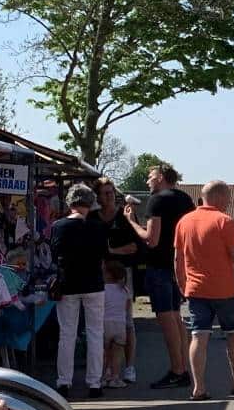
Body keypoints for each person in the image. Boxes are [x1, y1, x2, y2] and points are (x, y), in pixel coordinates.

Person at [174, 180, 234, 401]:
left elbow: (178, 259)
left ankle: (199, 388)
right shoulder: (224, 221)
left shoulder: (184, 221)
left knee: (198, 336)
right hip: (224, 290)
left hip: (195, 290)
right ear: (219, 196)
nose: (229, 202)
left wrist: (183, 284)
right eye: (228, 197)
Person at [125, 165, 194, 390]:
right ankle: (184, 367)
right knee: (176, 317)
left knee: (167, 319)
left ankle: (177, 370)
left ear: (161, 178)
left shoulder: (157, 200)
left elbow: (151, 239)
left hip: (159, 266)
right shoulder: (185, 199)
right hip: (178, 265)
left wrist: (131, 221)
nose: (148, 181)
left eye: (151, 177)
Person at [49, 183, 109, 397]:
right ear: (90, 203)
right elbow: (104, 255)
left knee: (67, 334)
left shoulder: (59, 226)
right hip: (94, 284)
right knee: (95, 333)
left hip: (68, 285)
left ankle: (64, 381)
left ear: (70, 202)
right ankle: (94, 383)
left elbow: (54, 254)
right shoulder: (99, 226)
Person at [94, 178, 141, 384]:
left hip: (122, 275)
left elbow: (135, 246)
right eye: (105, 193)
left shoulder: (124, 216)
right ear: (98, 197)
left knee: (127, 322)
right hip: (100, 274)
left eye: (111, 192)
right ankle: (105, 371)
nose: (109, 196)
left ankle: (129, 367)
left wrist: (112, 251)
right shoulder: (93, 217)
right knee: (100, 323)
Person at [100, 259, 131, 391]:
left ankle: (102, 377)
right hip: (120, 325)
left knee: (104, 352)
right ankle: (115, 378)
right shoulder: (125, 290)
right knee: (117, 352)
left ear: (107, 275)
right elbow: (127, 309)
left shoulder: (102, 290)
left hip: (105, 324)